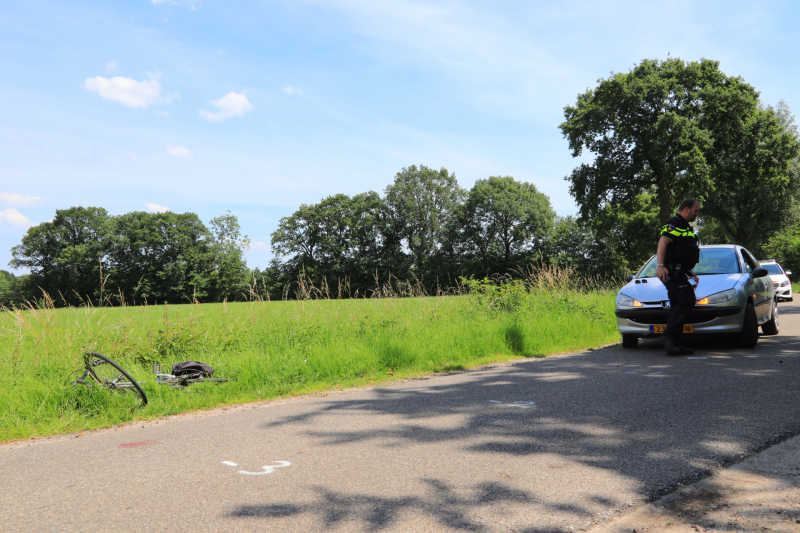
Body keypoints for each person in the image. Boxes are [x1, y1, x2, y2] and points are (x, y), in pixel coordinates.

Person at [656, 198, 701, 355]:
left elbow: (680, 252)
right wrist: (660, 266)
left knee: (677, 304)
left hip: (678, 271)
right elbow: (663, 243)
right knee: (687, 300)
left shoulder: (685, 226)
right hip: (670, 271)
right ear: (686, 209)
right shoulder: (675, 223)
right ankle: (668, 337)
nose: (697, 214)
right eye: (695, 211)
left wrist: (688, 270)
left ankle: (674, 343)